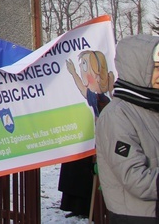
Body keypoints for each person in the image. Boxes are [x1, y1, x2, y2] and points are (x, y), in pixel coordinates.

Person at [95, 34, 159, 223]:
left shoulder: (152, 106)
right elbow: (136, 178)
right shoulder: (117, 115)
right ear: (137, 68)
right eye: (155, 68)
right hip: (137, 216)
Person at [59, 49, 114, 217]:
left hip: (97, 142)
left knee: (86, 175)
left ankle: (87, 208)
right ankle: (74, 206)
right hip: (82, 135)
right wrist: (73, 72)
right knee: (73, 171)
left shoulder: (101, 98)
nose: (82, 69)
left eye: (84, 65)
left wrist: (73, 73)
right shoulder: (93, 96)